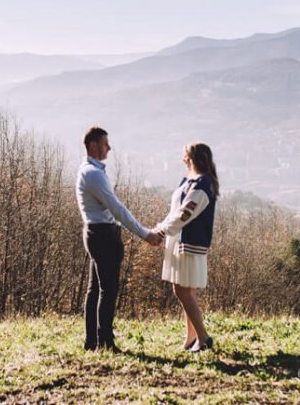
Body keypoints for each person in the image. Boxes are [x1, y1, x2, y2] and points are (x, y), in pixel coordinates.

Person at [75, 126, 161, 352]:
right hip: (102, 234)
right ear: (94, 146)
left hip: (95, 232)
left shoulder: (89, 171)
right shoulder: (93, 174)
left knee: (95, 289)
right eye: (105, 144)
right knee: (107, 289)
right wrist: (145, 233)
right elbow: (117, 209)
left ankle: (92, 340)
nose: (109, 148)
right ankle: (105, 342)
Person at [155, 142, 219, 352]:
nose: (183, 160)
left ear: (192, 159)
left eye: (186, 157)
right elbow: (176, 211)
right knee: (186, 291)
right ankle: (191, 338)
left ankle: (203, 337)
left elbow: (184, 214)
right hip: (180, 242)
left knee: (182, 291)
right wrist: (161, 228)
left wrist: (161, 232)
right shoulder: (191, 182)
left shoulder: (202, 186)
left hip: (189, 245)